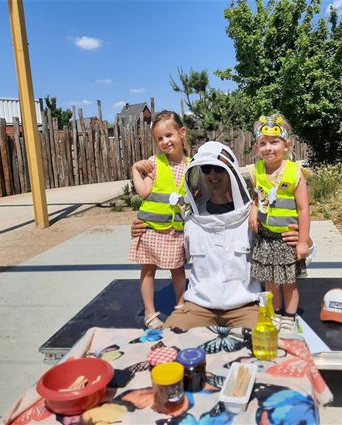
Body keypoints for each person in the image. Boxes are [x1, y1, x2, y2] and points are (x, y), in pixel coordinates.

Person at [132, 141, 315, 330]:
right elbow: (168, 249)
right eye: (206, 169)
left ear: (232, 172)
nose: (212, 175)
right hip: (198, 307)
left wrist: (305, 241)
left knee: (266, 348)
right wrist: (144, 231)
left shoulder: (253, 218)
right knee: (168, 344)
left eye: (218, 169)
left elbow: (290, 254)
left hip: (245, 308)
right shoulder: (190, 219)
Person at [248, 114, 310, 334]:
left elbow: (304, 209)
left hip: (286, 240)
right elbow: (257, 197)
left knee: (288, 281)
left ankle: (289, 316)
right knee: (270, 282)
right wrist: (254, 210)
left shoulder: (295, 173)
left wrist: (303, 242)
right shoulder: (257, 171)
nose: (268, 148)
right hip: (266, 238)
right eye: (263, 143)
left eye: (274, 142)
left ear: (286, 145)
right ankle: (274, 313)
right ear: (257, 147)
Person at [129, 111, 189, 329]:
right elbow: (144, 192)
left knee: (178, 269)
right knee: (148, 270)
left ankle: (181, 306)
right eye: (159, 139)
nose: (165, 141)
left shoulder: (191, 166)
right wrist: (135, 169)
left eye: (169, 135)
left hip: (175, 230)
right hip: (151, 229)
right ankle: (150, 313)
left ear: (182, 133)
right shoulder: (154, 163)